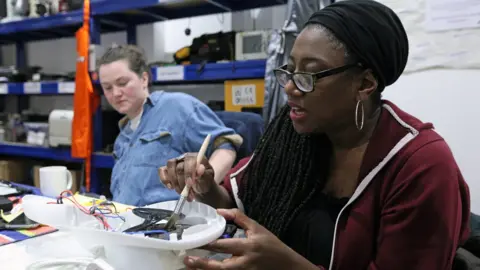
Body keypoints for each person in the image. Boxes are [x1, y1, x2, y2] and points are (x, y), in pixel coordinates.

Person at [159, 1, 471, 269]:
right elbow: (239, 203)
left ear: (365, 83)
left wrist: (286, 264)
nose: (291, 87)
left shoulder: (420, 167)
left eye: (309, 74)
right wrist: (205, 185)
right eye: (290, 71)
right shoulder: (297, 131)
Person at [97, 44, 242, 206]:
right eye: (107, 87)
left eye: (122, 83)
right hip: (125, 223)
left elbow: (225, 145)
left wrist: (203, 186)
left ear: (144, 79)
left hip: (168, 224)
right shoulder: (123, 136)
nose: (115, 93)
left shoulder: (176, 106)